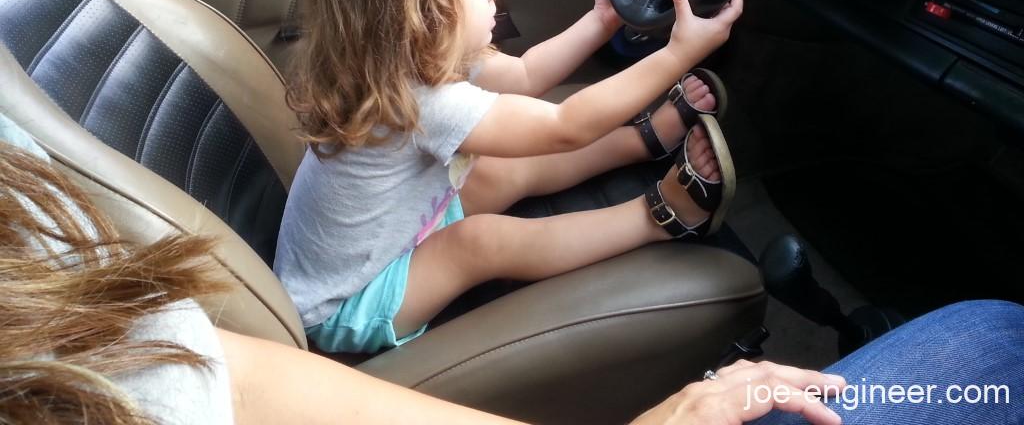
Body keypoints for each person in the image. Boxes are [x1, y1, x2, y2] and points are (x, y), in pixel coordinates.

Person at [3, 134, 1023, 425]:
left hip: (304, 308)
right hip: (332, 314)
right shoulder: (97, 374)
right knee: (995, 339)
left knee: (489, 185)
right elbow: (546, 113)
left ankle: (658, 193)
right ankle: (659, 213)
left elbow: (535, 120)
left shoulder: (101, 369)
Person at [274, 0, 744, 356]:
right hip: (347, 303)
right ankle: (659, 216)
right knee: (482, 241)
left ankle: (642, 141)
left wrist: (603, 21)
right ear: (422, 16)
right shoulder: (417, 100)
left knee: (496, 167)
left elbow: (524, 74)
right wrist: (679, 52)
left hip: (386, 235)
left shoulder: (401, 56)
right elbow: (565, 127)